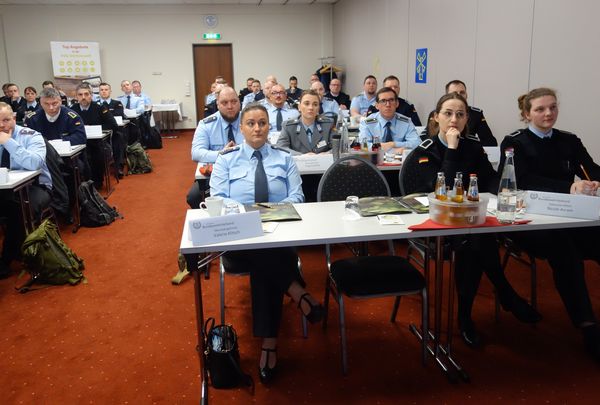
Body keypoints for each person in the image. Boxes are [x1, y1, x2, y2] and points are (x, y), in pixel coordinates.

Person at [408, 92, 541, 347]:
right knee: (477, 242)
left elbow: (489, 178)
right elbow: (442, 190)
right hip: (438, 226)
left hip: (472, 220)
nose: (454, 119)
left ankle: (468, 315)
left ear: (467, 118)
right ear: (436, 117)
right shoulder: (425, 151)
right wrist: (452, 148)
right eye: (448, 114)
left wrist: (505, 192)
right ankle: (502, 295)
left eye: (460, 114)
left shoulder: (474, 147)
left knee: (476, 241)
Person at [210, 102, 323, 384]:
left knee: (265, 261)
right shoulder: (226, 160)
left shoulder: (284, 159)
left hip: (278, 233)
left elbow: (297, 197)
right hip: (239, 236)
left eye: (262, 123)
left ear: (269, 127)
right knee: (266, 253)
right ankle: (298, 294)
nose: (257, 128)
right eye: (251, 123)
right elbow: (219, 198)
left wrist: (270, 216)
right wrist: (249, 216)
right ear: (241, 127)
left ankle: (269, 345)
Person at [499, 87, 600, 361]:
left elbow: (590, 166)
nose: (548, 113)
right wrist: (569, 187)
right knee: (566, 254)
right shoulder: (515, 143)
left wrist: (593, 181)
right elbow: (522, 180)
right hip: (534, 222)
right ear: (526, 114)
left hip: (572, 216)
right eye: (541, 109)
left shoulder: (569, 140)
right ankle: (587, 325)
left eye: (553, 107)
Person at [0, 102, 52, 279]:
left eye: (6, 120)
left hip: (35, 187)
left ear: (14, 118)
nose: (2, 126)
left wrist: (8, 142)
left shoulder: (31, 135)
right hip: (5, 189)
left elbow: (34, 163)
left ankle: (6, 259)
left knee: (19, 209)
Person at [186, 86, 243, 208]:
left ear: (239, 102)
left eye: (234, 101)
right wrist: (222, 154)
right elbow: (196, 153)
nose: (230, 106)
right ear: (217, 104)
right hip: (216, 174)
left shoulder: (250, 121)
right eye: (224, 102)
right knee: (194, 197)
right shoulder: (206, 124)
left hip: (246, 171)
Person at [71, 83, 119, 186]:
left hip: (97, 142)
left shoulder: (99, 108)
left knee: (97, 154)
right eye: (80, 95)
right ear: (76, 96)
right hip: (79, 144)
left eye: (86, 94)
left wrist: (95, 129)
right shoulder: (72, 110)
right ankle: (80, 184)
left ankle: (96, 181)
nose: (83, 97)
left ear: (91, 95)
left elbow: (113, 125)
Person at [426, 80, 496, 146]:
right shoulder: (438, 113)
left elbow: (489, 141)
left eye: (462, 92)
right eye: (448, 113)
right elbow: (428, 137)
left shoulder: (475, 114)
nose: (454, 119)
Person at [358, 87, 420, 151]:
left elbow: (417, 143)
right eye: (383, 101)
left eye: (391, 100)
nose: (388, 105)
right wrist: (383, 147)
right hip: (374, 159)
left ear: (397, 104)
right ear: (377, 106)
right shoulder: (367, 123)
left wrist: (393, 144)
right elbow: (363, 145)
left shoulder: (406, 122)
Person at [276, 90, 334, 155]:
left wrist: (327, 154)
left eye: (315, 104)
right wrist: (301, 156)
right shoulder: (289, 126)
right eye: (306, 103)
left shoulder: (328, 124)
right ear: (299, 107)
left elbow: (338, 147)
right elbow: (280, 147)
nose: (311, 108)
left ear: (318, 108)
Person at [97, 82, 126, 175]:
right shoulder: (95, 105)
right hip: (100, 132)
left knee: (119, 139)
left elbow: (118, 116)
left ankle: (119, 167)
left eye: (106, 90)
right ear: (99, 92)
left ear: (110, 91)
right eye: (101, 90)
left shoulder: (117, 103)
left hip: (114, 131)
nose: (104, 92)